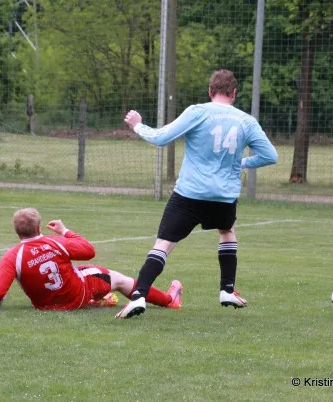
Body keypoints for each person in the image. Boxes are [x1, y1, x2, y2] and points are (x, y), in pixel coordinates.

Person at [116, 69, 278, 319]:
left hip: (190, 193)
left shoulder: (198, 112)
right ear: (234, 93)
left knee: (164, 243)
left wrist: (138, 125)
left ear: (210, 91)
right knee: (226, 231)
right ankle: (227, 290)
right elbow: (270, 156)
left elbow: (161, 138)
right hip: (223, 196)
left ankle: (138, 295)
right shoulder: (246, 121)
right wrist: (242, 163)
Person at [0, 208, 183, 311]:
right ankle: (169, 300)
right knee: (118, 279)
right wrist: (65, 231)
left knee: (80, 270)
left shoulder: (12, 256)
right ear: (39, 227)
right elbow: (89, 250)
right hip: (75, 297)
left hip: (45, 305)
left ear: (16, 231)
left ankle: (98, 298)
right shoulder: (55, 242)